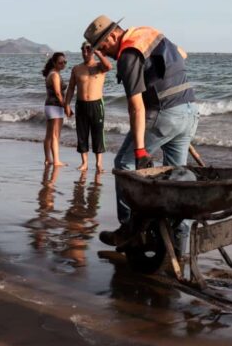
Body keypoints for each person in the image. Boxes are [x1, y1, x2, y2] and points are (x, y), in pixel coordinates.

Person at [82, 15, 199, 246]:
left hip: (164, 114)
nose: (103, 53)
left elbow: (136, 108)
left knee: (123, 164)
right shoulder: (148, 33)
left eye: (102, 47)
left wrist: (140, 151)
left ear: (112, 36)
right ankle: (178, 242)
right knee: (178, 178)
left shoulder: (128, 55)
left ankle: (130, 230)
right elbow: (182, 53)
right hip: (189, 110)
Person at [64, 41, 112, 173]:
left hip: (96, 104)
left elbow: (109, 66)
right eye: (83, 50)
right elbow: (71, 88)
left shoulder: (99, 66)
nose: (85, 52)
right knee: (82, 134)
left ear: (93, 51)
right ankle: (84, 163)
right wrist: (66, 104)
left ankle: (98, 164)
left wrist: (97, 51)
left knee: (98, 133)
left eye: (88, 50)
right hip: (81, 104)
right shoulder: (77, 69)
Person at [42, 52, 69, 167]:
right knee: (55, 135)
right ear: (54, 63)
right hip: (55, 107)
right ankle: (56, 161)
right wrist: (65, 107)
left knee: (49, 135)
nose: (63, 64)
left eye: (65, 62)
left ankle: (48, 159)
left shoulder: (51, 73)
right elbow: (58, 93)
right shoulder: (55, 75)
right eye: (60, 62)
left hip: (49, 106)